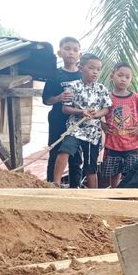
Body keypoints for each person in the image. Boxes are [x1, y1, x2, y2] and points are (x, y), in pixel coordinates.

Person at [52, 53, 112, 189]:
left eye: (98, 69)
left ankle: (93, 196)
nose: (95, 72)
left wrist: (97, 114)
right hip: (75, 128)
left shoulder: (102, 89)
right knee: (64, 150)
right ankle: (55, 184)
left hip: (93, 132)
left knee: (91, 165)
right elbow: (65, 109)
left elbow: (106, 109)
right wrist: (81, 112)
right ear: (81, 68)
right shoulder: (73, 87)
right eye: (91, 68)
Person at [100, 62, 138, 187]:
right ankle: (114, 194)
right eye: (120, 75)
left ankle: (128, 196)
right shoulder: (107, 97)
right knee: (113, 174)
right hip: (113, 144)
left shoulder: (135, 98)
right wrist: (102, 125)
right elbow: (95, 113)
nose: (123, 79)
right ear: (112, 76)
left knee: (132, 173)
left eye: (127, 77)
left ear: (131, 80)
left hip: (131, 145)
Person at [42, 37, 83, 187]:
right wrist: (59, 98)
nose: (71, 53)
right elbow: (46, 100)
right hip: (57, 120)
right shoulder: (54, 75)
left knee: (76, 155)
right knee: (55, 151)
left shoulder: (83, 76)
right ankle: (50, 186)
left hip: (78, 122)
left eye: (75, 50)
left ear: (80, 54)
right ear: (60, 53)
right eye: (67, 49)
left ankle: (75, 188)